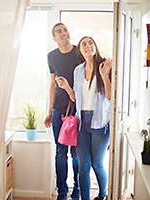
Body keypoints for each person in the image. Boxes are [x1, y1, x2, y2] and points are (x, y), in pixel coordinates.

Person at [55, 36, 112, 200]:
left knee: (97, 164)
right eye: (84, 44)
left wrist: (104, 75)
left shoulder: (104, 66)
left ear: (95, 46)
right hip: (81, 123)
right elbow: (76, 99)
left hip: (100, 123)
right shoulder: (78, 70)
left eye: (91, 42)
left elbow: (110, 97)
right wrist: (66, 87)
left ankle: (102, 194)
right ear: (80, 50)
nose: (88, 46)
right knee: (83, 165)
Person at [44, 23, 81, 200]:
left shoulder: (78, 53)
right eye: (59, 31)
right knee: (60, 151)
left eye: (65, 29)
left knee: (76, 152)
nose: (63, 33)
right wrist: (49, 111)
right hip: (58, 108)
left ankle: (78, 189)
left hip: (77, 109)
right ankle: (62, 192)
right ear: (54, 38)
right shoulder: (51, 56)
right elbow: (52, 84)